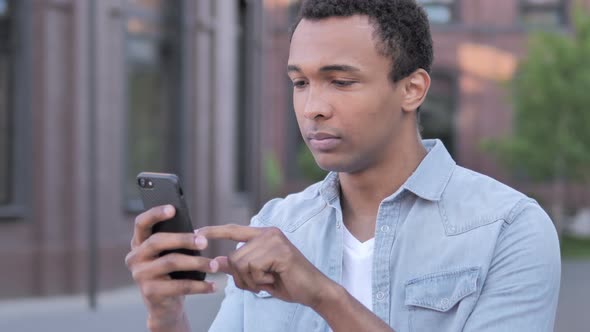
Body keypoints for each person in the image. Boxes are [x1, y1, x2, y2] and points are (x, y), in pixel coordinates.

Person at [125, 0, 561, 331]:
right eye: (300, 82)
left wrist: (323, 295)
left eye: (340, 82)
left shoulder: (508, 227)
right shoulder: (277, 224)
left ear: (412, 89)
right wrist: (166, 316)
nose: (313, 107)